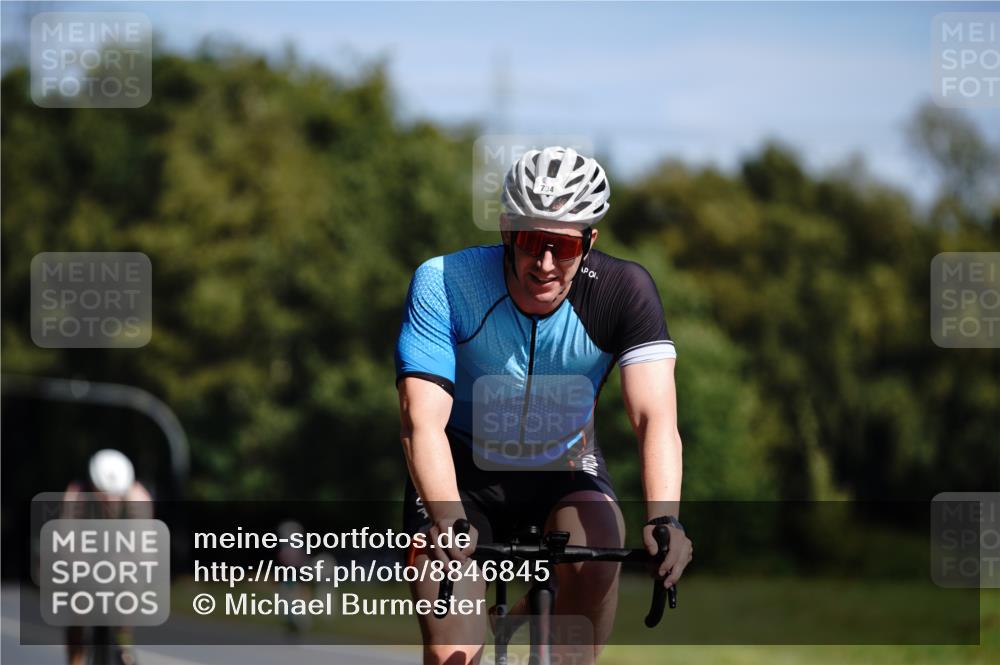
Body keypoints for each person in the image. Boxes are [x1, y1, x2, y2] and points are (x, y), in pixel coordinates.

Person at [396, 146, 694, 665]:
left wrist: (666, 520)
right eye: (533, 242)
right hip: (463, 473)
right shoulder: (446, 282)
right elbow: (421, 421)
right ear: (507, 232)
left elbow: (655, 419)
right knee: (454, 652)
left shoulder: (624, 292)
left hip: (567, 466)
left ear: (590, 241)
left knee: (602, 546)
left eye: (563, 245)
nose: (547, 264)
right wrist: (446, 517)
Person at [63, 449, 152, 665]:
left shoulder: (138, 497)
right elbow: (66, 535)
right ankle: (76, 658)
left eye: (115, 494)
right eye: (103, 493)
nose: (110, 499)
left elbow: (143, 544)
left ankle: (123, 643)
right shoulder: (77, 494)